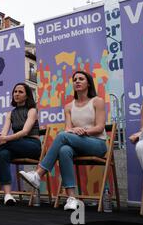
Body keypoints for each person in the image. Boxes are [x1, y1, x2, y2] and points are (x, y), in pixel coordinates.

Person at [19, 71, 107, 211]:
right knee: (64, 149)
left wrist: (82, 130)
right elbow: (68, 129)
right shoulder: (68, 106)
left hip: (97, 144)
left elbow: (99, 127)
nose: (77, 81)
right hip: (77, 144)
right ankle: (72, 198)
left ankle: (38, 173)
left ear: (88, 83)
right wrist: (73, 131)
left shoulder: (97, 101)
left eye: (81, 79)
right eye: (75, 79)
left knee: (62, 136)